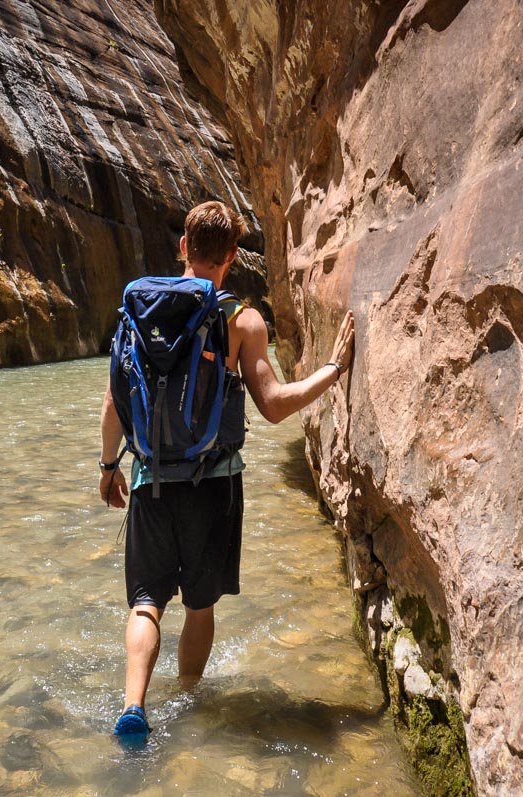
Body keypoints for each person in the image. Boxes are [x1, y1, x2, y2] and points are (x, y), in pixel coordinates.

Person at [98, 200, 355, 736]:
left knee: (146, 603)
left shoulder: (139, 313)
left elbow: (113, 405)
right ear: (233, 256)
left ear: (183, 247)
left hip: (149, 482)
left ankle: (134, 704)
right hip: (214, 486)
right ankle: (189, 706)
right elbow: (276, 405)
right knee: (198, 605)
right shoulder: (242, 319)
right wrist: (334, 368)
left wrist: (107, 467)